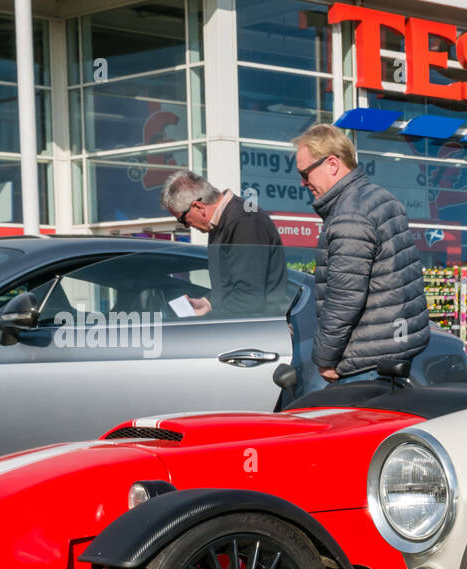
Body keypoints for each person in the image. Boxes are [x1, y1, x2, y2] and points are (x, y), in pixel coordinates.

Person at [292, 124, 430, 382]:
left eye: (305, 173)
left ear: (332, 164)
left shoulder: (350, 214)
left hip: (365, 363)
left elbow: (344, 298)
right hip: (394, 351)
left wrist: (325, 359)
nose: (302, 182)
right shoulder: (380, 198)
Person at [160, 171, 289, 317]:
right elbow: (231, 288)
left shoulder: (244, 221)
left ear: (198, 207)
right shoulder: (221, 223)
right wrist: (207, 303)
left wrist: (207, 319)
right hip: (249, 328)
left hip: (262, 330)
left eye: (182, 220)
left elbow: (249, 298)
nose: (186, 226)